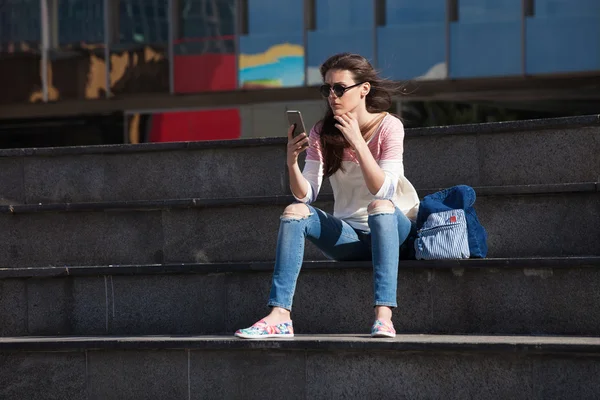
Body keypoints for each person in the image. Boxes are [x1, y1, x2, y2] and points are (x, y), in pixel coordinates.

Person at [235, 53, 419, 339]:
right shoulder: (323, 132)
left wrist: (358, 141)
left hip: (394, 231)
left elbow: (383, 189)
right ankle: (280, 315)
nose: (332, 96)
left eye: (340, 88)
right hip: (352, 238)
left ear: (364, 89)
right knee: (294, 212)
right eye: (327, 89)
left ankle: (384, 316)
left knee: (380, 205)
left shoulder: (389, 127)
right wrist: (290, 162)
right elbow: (306, 194)